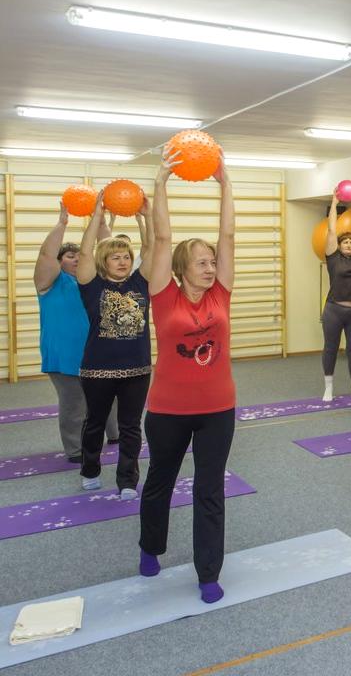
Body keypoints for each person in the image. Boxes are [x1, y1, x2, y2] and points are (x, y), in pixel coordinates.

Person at [138, 146, 236, 605]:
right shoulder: (163, 295)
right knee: (160, 479)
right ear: (180, 269)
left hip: (218, 408)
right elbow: (160, 240)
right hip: (167, 410)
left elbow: (228, 234)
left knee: (209, 490)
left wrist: (226, 184)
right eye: (201, 261)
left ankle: (208, 572)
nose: (210, 265)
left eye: (212, 260)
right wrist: (160, 185)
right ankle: (151, 546)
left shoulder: (221, 294)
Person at [76, 191, 153, 499]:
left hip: (137, 369)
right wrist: (97, 215)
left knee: (131, 427)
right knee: (95, 422)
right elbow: (83, 254)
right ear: (103, 262)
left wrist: (144, 217)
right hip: (97, 370)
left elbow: (152, 248)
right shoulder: (92, 285)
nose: (122, 261)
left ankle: (127, 480)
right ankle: (90, 470)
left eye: (126, 257)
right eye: (115, 257)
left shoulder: (140, 282)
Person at [34, 202, 118, 462]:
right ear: (59, 263)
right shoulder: (49, 283)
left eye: (79, 255)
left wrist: (103, 224)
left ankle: (114, 434)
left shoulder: (93, 281)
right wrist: (62, 223)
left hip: (97, 353)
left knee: (109, 397)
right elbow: (46, 256)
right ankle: (75, 449)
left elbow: (111, 254)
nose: (76, 258)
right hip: (64, 357)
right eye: (69, 256)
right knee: (74, 405)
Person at [321, 193, 351, 402]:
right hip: (335, 310)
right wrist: (334, 203)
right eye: (346, 242)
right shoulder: (333, 259)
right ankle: (328, 388)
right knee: (331, 348)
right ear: (339, 246)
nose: (350, 244)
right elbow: (332, 230)